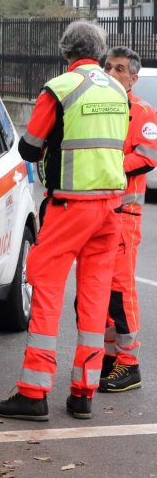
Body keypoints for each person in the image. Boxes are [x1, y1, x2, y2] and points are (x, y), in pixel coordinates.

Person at [0, 21, 130, 422]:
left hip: (70, 208)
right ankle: (84, 392)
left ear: (65, 51)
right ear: (101, 52)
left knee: (47, 290)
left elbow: (30, 148)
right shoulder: (118, 90)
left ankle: (34, 392)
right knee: (93, 299)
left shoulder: (60, 88)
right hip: (110, 208)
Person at [98, 46, 157, 393]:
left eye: (119, 69)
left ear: (133, 79)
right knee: (100, 291)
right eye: (107, 67)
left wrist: (108, 167)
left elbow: (148, 157)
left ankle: (130, 363)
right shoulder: (102, 108)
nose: (111, 73)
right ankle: (110, 358)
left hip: (125, 215)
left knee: (121, 290)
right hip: (99, 211)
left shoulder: (144, 112)